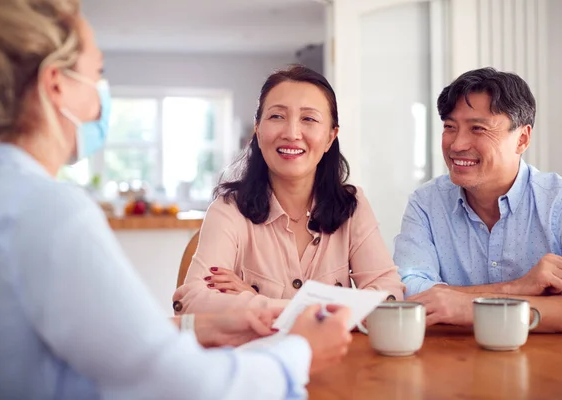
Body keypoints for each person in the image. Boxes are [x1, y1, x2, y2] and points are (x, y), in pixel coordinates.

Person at [0, 1, 354, 398]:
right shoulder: (49, 212)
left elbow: (105, 341)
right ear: (55, 84)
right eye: (97, 73)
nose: (101, 94)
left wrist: (201, 327)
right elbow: (178, 384)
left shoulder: (14, 195)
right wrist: (299, 352)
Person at [172, 65, 405, 315]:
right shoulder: (229, 209)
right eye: (277, 117)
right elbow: (191, 303)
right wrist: (326, 308)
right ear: (258, 131)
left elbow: (389, 295)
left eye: (309, 119)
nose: (292, 133)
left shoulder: (352, 205)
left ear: (330, 136)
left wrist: (257, 301)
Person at [393, 67, 562, 333]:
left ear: (522, 139)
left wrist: (467, 307)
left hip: (552, 366)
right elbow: (410, 292)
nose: (457, 144)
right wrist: (517, 288)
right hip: (449, 363)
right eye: (450, 127)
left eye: (477, 128)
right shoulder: (426, 203)